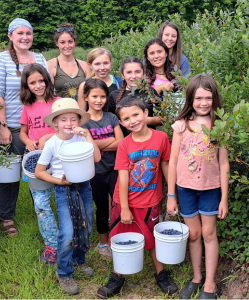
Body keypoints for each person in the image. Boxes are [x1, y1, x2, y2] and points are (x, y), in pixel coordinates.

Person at [96, 96, 178, 299]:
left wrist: (171, 195)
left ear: (145, 114)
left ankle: (161, 274)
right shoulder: (124, 145)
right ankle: (117, 276)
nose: (132, 120)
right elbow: (122, 177)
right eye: (126, 118)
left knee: (152, 239)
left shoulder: (161, 138)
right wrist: (124, 207)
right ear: (121, 123)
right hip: (124, 201)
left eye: (136, 114)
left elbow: (166, 165)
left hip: (150, 201)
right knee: (121, 238)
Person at [166, 75, 229, 299]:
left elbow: (223, 162)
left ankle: (210, 284)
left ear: (215, 99)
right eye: (198, 97)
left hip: (211, 188)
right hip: (185, 189)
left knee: (209, 233)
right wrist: (171, 195)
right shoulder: (180, 126)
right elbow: (172, 162)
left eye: (208, 98)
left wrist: (224, 198)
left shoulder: (219, 126)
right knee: (193, 234)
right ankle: (196, 277)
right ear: (190, 99)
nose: (204, 102)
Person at [0, 18, 50, 237]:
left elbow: (46, 91)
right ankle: (7, 217)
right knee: (9, 177)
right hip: (13, 128)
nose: (25, 37)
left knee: (39, 172)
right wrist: (2, 127)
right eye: (20, 33)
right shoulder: (0, 60)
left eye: (28, 33)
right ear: (10, 36)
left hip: (38, 129)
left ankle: (41, 211)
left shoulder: (40, 58)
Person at [35, 98, 101, 295]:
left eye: (74, 119)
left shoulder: (82, 139)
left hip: (84, 187)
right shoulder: (52, 144)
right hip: (64, 190)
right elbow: (40, 172)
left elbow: (96, 158)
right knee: (67, 234)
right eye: (64, 120)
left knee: (86, 226)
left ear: (79, 121)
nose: (69, 124)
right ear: (55, 123)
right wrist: (60, 181)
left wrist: (88, 135)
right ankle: (64, 272)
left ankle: (78, 259)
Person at [19, 63, 60, 264]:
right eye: (32, 82)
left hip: (59, 161)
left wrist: (47, 136)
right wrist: (28, 142)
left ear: (47, 80)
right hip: (37, 163)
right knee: (41, 205)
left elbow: (70, 128)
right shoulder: (27, 107)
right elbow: (23, 133)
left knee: (64, 202)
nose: (38, 85)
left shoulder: (58, 103)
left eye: (41, 81)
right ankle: (52, 244)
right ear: (26, 85)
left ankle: (72, 239)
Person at [80, 78, 123, 260]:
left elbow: (121, 143)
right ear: (86, 97)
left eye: (103, 96)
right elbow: (85, 148)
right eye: (95, 96)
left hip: (115, 168)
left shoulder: (111, 117)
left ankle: (119, 236)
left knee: (118, 203)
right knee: (102, 207)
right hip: (95, 171)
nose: (99, 100)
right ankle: (104, 242)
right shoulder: (82, 122)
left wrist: (94, 144)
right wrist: (108, 143)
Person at [107, 57, 162, 135]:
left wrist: (144, 120)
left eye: (137, 72)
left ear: (143, 73)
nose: (133, 76)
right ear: (123, 75)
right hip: (125, 140)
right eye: (129, 72)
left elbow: (162, 118)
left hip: (149, 138)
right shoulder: (114, 95)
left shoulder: (150, 92)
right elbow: (110, 121)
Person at [47, 23, 91, 100]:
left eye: (70, 41)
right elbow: (48, 94)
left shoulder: (84, 65)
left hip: (81, 110)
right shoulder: (50, 65)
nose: (67, 46)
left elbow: (90, 92)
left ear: (75, 42)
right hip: (59, 110)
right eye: (62, 42)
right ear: (57, 43)